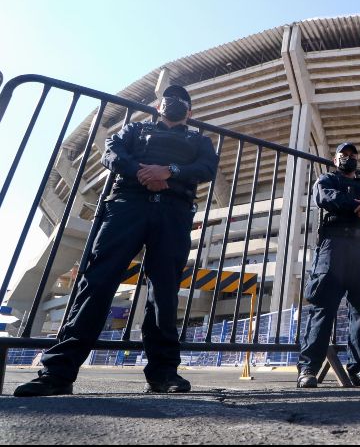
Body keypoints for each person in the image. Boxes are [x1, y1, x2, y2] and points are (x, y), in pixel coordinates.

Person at [14, 85, 219, 397]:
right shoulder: (135, 129)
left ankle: (164, 374)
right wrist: (143, 171)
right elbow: (112, 153)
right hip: (127, 206)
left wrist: (170, 171)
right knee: (97, 282)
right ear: (159, 106)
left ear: (190, 112)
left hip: (174, 212)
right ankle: (58, 372)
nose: (173, 103)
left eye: (181, 101)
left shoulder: (198, 140)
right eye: (168, 99)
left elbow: (207, 167)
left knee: (164, 293)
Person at [296, 143, 360, 388]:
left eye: (352, 155)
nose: (348, 158)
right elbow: (324, 197)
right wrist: (359, 206)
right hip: (333, 247)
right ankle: (308, 369)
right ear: (335, 159)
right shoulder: (327, 179)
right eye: (343, 155)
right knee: (323, 307)